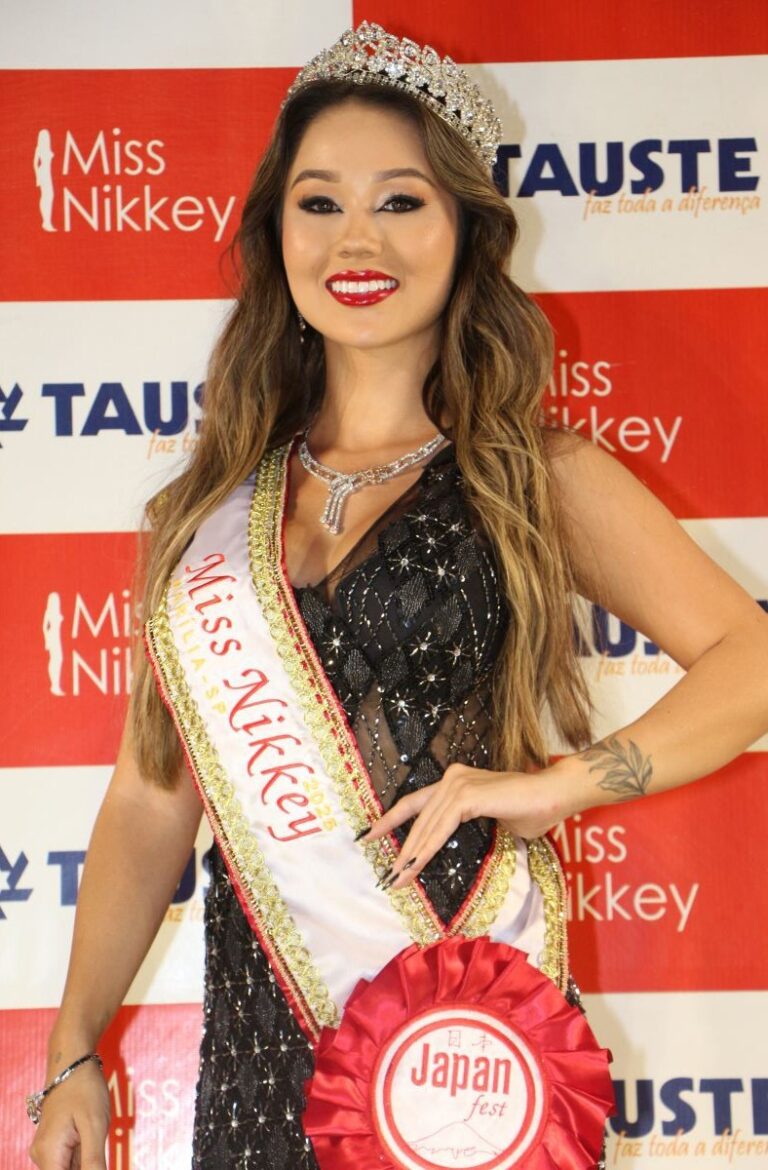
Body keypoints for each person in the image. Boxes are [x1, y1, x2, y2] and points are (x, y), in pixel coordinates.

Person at [28, 20, 768, 1170]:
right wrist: (74, 1045)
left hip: (466, 1044)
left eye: (401, 201)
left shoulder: (532, 475)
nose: (356, 238)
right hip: (261, 1054)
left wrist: (565, 784)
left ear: (465, 229)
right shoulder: (204, 515)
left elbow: (749, 659)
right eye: (320, 202)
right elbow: (149, 793)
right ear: (277, 232)